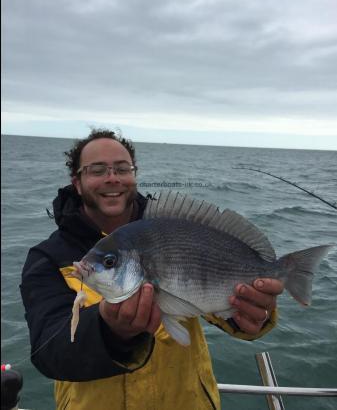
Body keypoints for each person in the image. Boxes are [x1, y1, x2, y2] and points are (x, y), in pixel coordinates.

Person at [21, 128, 284, 410]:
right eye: (97, 170)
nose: (112, 177)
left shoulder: (170, 228)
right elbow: (49, 351)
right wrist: (110, 330)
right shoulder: (48, 258)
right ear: (77, 181)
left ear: (134, 175)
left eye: (122, 168)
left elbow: (215, 301)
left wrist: (255, 314)